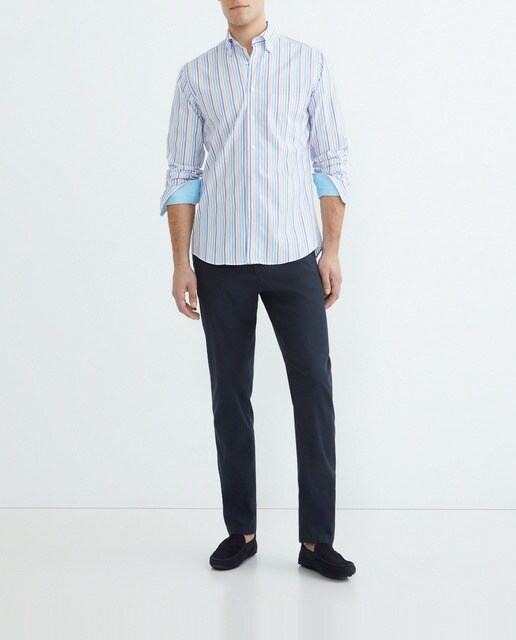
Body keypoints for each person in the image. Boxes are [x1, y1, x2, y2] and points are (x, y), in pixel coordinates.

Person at [159, 0, 356, 580]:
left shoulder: (309, 64)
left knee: (314, 391)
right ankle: (240, 531)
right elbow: (182, 173)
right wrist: (180, 263)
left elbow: (331, 160)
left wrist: (331, 250)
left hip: (295, 257)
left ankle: (317, 541)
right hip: (219, 260)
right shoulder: (195, 75)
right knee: (229, 396)